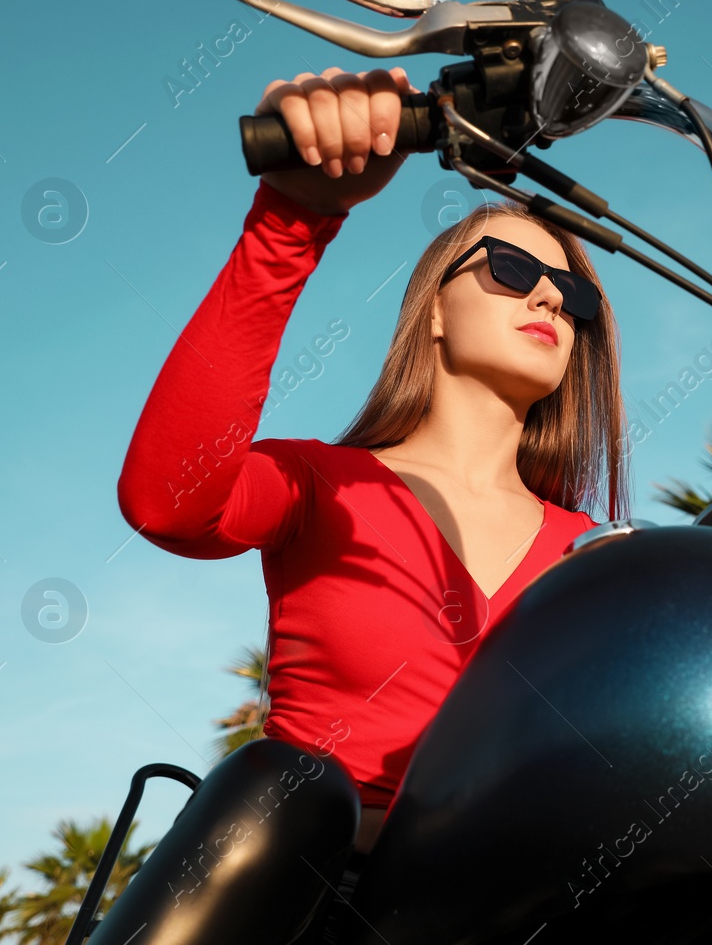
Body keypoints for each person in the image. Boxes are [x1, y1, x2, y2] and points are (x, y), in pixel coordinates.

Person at [99, 66, 627, 943]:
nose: (548, 296)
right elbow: (168, 502)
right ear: (433, 313)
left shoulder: (596, 558)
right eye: (510, 267)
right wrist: (291, 222)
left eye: (571, 295)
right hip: (304, 909)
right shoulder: (321, 483)